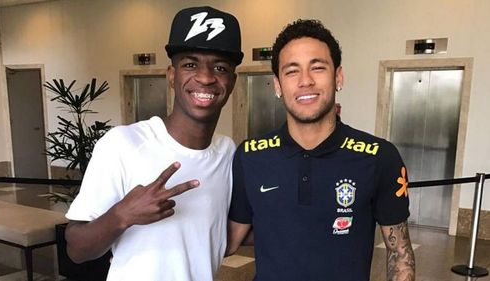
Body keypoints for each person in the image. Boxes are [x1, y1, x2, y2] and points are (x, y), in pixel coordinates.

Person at [227, 19, 415, 281]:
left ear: (338, 76)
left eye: (317, 68)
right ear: (278, 85)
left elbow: (400, 255)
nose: (305, 81)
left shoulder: (379, 156)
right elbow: (228, 241)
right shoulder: (250, 156)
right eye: (292, 71)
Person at [64, 6, 243, 281]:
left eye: (220, 67)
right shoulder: (122, 144)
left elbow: (225, 237)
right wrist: (122, 215)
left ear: (232, 82)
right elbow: (76, 249)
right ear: (172, 75)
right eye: (190, 64)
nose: (206, 77)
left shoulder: (228, 153)